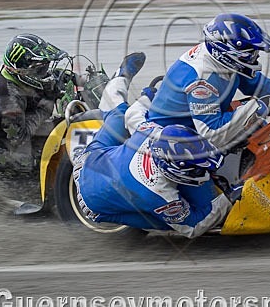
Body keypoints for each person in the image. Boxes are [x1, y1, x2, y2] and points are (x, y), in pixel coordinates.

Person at [73, 52, 241, 238]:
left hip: (94, 158)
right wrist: (228, 199)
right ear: (173, 171)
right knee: (166, 225)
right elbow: (194, 227)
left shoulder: (153, 131)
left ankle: (119, 79)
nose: (203, 174)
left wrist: (149, 96)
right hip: (92, 200)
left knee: (120, 115)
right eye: (195, 171)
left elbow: (134, 115)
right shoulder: (160, 195)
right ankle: (115, 84)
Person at [127, 13, 270, 152]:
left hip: (195, 123)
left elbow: (261, 87)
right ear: (229, 53)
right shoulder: (202, 80)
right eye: (252, 53)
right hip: (167, 140)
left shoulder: (223, 60)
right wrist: (257, 107)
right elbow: (211, 134)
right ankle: (120, 78)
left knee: (253, 121)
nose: (256, 57)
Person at [0, 33, 71, 156]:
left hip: (11, 119)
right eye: (41, 69)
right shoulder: (7, 99)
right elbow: (19, 138)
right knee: (29, 162)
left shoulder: (12, 71)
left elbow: (40, 76)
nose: (45, 73)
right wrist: (47, 104)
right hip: (0, 139)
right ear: (22, 71)